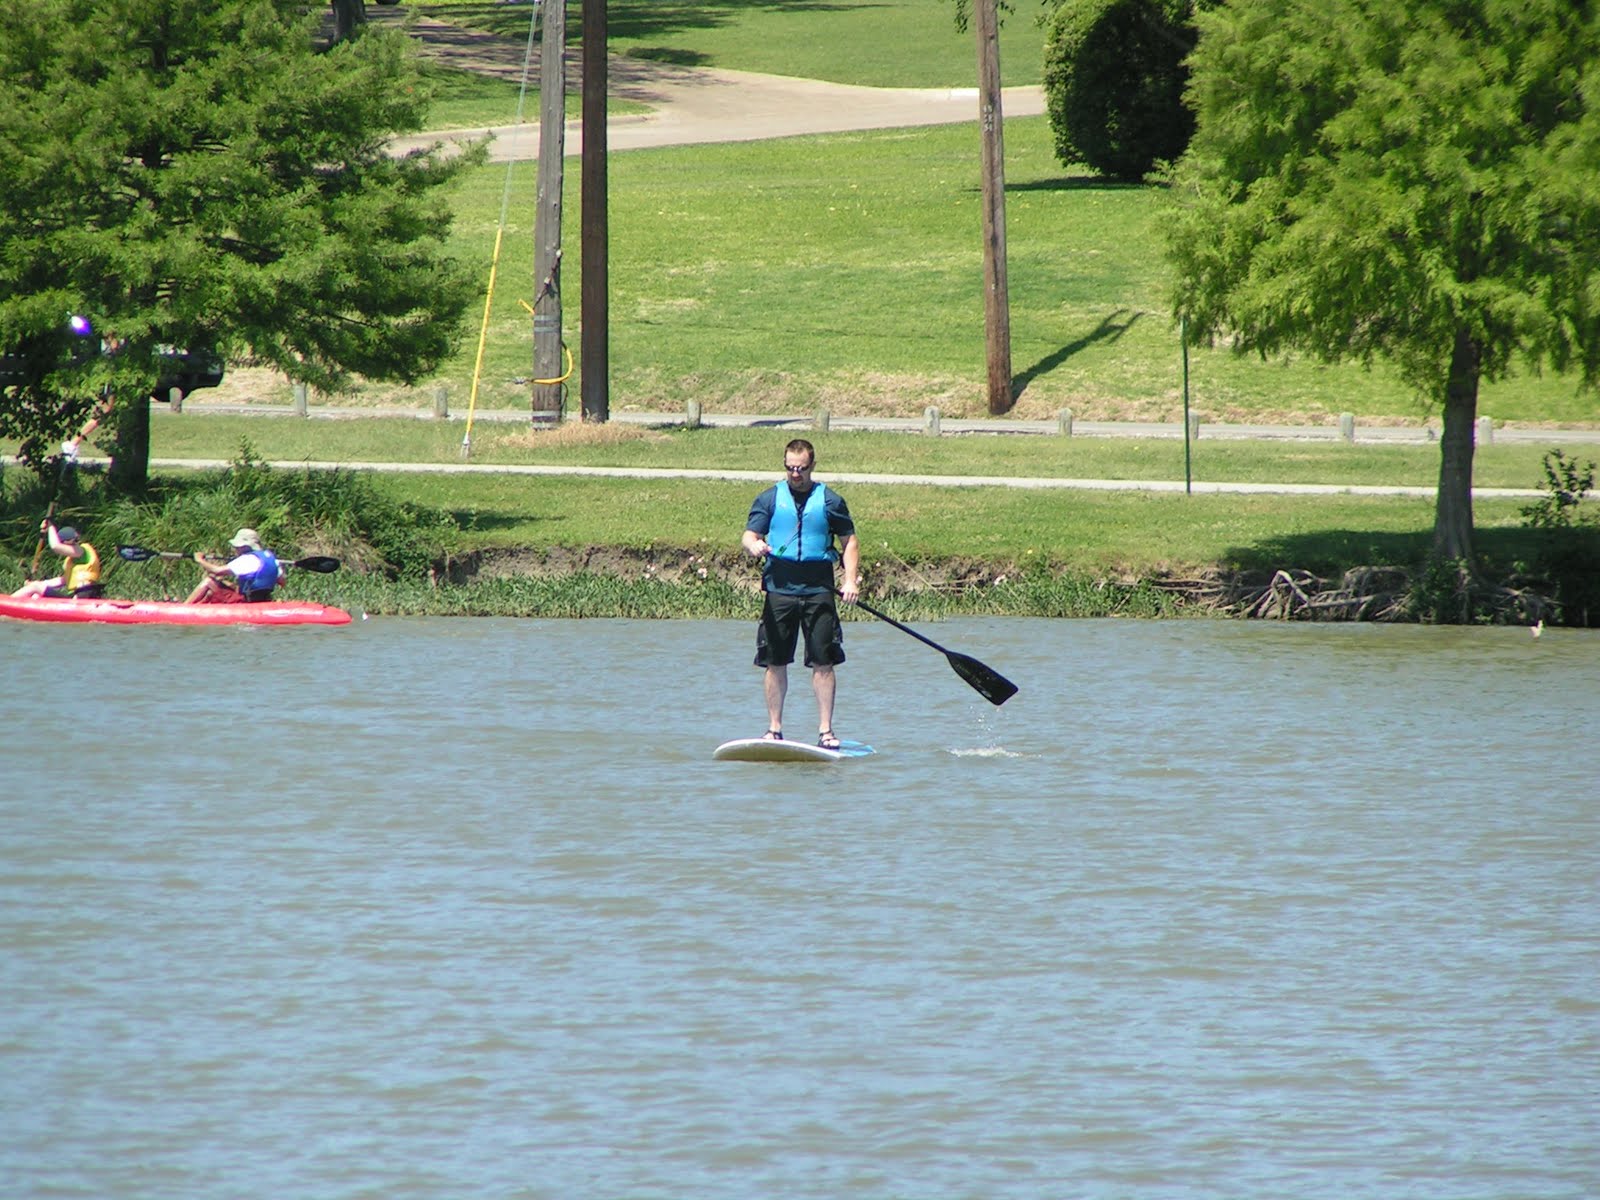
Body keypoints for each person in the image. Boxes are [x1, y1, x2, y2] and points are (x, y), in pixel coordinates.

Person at [741, 438, 861, 748]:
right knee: (774, 661)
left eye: (801, 469)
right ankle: (774, 729)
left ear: (812, 466)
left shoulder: (831, 501)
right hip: (780, 590)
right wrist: (753, 544)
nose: (795, 474)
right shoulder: (769, 499)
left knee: (823, 662)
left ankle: (826, 732)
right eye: (790, 468)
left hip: (818, 591)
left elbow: (849, 541)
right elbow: (750, 534)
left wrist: (850, 581)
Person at [186, 528, 283, 604]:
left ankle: (184, 607)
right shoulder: (273, 559)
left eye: (237, 547)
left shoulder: (246, 559)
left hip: (247, 601)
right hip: (264, 599)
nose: (236, 549)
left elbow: (217, 571)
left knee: (209, 581)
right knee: (220, 584)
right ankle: (200, 606)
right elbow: (282, 582)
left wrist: (200, 560)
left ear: (245, 547)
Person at [11, 521, 103, 599]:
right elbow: (62, 580)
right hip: (78, 596)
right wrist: (38, 583)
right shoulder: (74, 560)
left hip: (85, 595)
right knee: (36, 594)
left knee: (35, 588)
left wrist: (50, 526)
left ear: (68, 542)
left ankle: (9, 602)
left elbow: (55, 546)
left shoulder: (81, 551)